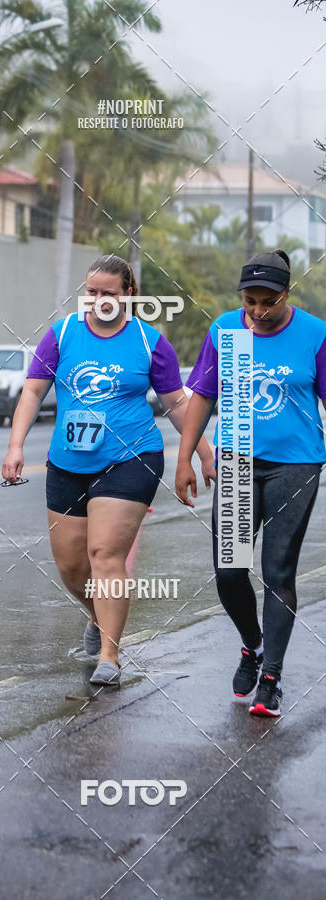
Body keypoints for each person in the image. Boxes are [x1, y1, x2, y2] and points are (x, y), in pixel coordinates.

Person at [2, 254, 215, 685]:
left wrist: (201, 452)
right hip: (68, 461)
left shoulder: (149, 342)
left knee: (105, 555)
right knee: (72, 567)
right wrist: (16, 446)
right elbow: (32, 393)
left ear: (129, 295)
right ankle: (98, 617)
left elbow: (176, 403)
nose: (98, 300)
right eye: (91, 292)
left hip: (131, 458)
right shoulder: (61, 335)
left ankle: (110, 656)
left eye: (108, 294)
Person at [175, 249, 326, 716]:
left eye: (268, 301)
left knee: (278, 570)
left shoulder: (315, 333)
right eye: (250, 300)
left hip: (296, 463)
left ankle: (272, 678)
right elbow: (201, 395)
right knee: (229, 570)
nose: (258, 312)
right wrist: (185, 458)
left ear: (286, 294)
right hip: (239, 458)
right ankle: (252, 645)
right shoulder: (226, 330)